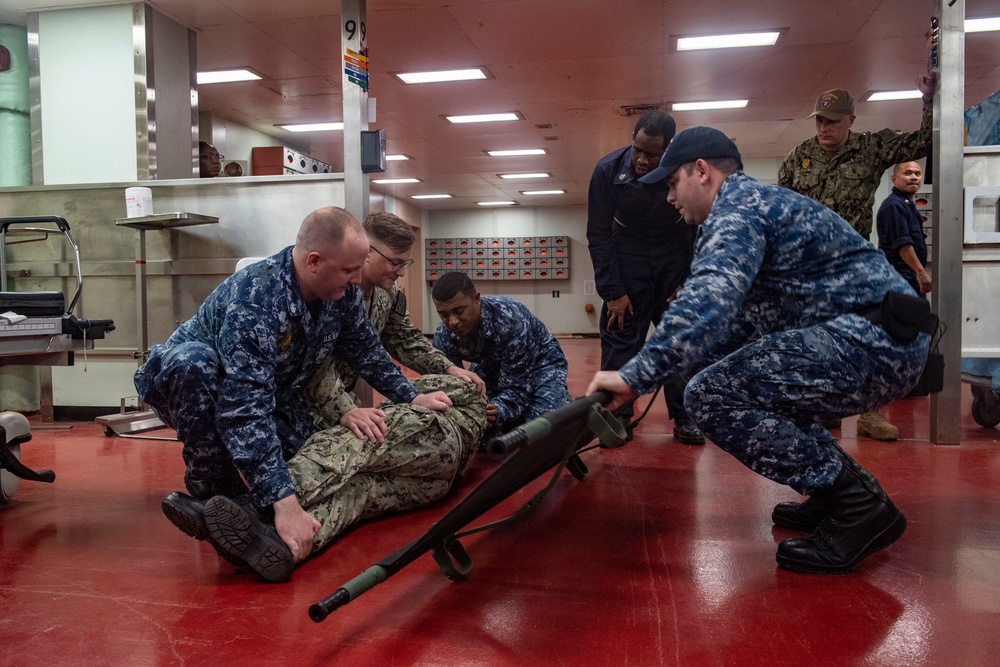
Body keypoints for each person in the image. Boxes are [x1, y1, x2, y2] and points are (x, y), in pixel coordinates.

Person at [588, 126, 934, 574]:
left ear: (701, 171)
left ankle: (858, 507)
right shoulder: (754, 203)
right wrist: (683, 362)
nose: (669, 198)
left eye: (672, 184)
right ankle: (835, 494)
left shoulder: (737, 210)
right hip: (883, 337)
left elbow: (710, 297)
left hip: (873, 340)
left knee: (709, 396)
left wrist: (634, 375)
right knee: (737, 379)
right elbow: (740, 322)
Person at [137, 206, 453, 572]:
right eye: (349, 270)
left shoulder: (342, 293)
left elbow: (366, 351)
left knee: (315, 455)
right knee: (194, 366)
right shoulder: (257, 298)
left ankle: (240, 510)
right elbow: (244, 406)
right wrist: (284, 504)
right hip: (198, 384)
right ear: (315, 261)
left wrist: (411, 395)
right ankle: (213, 481)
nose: (355, 280)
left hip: (275, 393)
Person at [162, 374, 487, 582]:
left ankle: (254, 507)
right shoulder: (481, 425)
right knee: (358, 492)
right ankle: (285, 547)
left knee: (355, 439)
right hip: (439, 482)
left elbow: (410, 393)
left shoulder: (465, 385)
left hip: (437, 434)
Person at [776, 72, 937, 440]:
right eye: (819, 120)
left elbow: (924, 140)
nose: (824, 127)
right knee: (812, 340)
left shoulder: (870, 149)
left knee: (867, 336)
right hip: (808, 267)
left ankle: (870, 412)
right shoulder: (799, 156)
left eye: (832, 121)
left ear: (851, 120)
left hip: (852, 264)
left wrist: (927, 100)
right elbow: (781, 209)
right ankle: (822, 409)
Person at [301, 211, 484, 439]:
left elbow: (405, 340)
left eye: (405, 263)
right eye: (395, 263)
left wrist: (447, 368)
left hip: (346, 401)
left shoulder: (388, 296)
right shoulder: (330, 292)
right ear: (367, 252)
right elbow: (317, 365)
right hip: (312, 404)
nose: (401, 272)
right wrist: (345, 410)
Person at [586, 110, 703, 444]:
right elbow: (598, 234)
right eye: (637, 149)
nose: (641, 159)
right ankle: (618, 416)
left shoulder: (685, 171)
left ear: (668, 150)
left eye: (652, 154)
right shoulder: (607, 170)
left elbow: (699, 223)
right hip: (627, 254)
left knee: (680, 340)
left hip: (673, 253)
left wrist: (690, 279)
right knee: (620, 335)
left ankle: (685, 417)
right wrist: (612, 291)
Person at [431, 272, 571, 433]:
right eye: (444, 315)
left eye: (459, 311)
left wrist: (500, 409)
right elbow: (450, 386)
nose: (453, 321)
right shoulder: (444, 334)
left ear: (477, 299)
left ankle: (557, 402)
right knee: (477, 427)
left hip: (541, 364)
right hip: (492, 367)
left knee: (541, 428)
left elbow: (518, 387)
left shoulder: (510, 321)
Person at [876, 161, 931, 297]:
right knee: (907, 316)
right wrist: (921, 272)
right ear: (894, 179)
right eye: (907, 173)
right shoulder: (893, 206)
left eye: (917, 174)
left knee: (917, 316)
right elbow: (903, 244)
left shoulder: (907, 206)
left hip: (909, 274)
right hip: (900, 276)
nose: (914, 177)